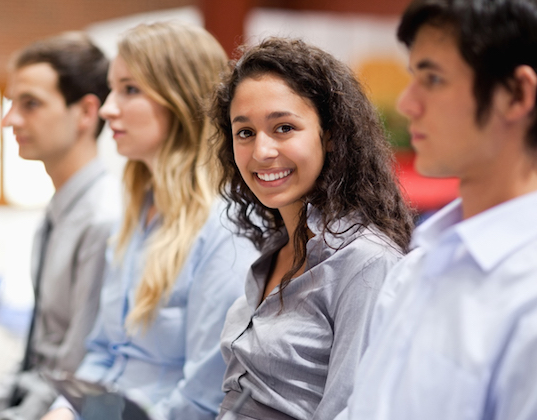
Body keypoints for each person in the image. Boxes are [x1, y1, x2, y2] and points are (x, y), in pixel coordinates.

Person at [42, 21, 259, 420]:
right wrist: (63, 410)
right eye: (112, 88)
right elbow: (102, 352)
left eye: (129, 89)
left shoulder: (226, 227)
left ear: (180, 98)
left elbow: (204, 397)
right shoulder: (136, 214)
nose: (108, 109)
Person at [336, 0, 537, 419]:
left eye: (433, 78)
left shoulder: (526, 296)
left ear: (517, 94)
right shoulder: (418, 265)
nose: (408, 104)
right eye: (414, 77)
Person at [210, 37, 415, 420]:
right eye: (245, 132)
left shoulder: (366, 262)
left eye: (284, 127)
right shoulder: (276, 248)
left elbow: (352, 410)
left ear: (331, 135)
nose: (261, 152)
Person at [0, 32, 121, 420]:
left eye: (30, 104)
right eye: (12, 103)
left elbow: (74, 373)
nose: (9, 119)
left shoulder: (103, 221)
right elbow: (35, 355)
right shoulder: (58, 213)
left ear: (85, 112)